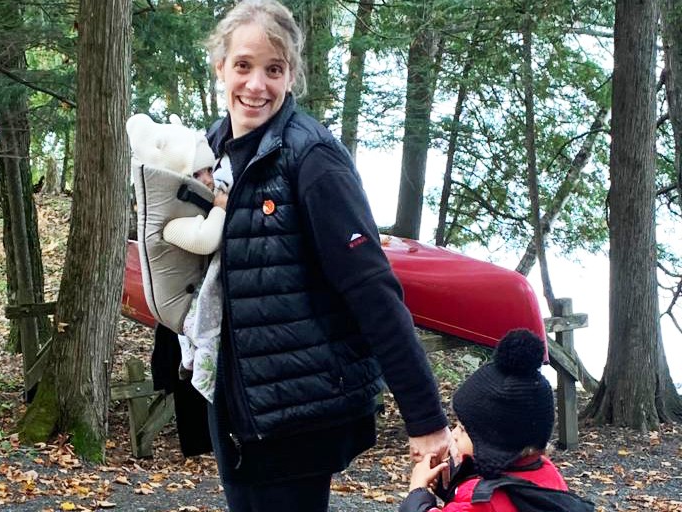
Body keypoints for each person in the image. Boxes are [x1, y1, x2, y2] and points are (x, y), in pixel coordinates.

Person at [195, 0, 451, 510]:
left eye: (274, 69)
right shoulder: (211, 151)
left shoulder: (311, 158)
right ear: (220, 67)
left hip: (298, 410)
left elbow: (371, 288)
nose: (256, 85)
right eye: (243, 66)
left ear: (292, 76)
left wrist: (425, 419)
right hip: (237, 403)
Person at [399, 330, 591, 512]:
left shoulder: (486, 502)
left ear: (494, 441)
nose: (454, 434)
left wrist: (417, 493)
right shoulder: (545, 471)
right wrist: (445, 484)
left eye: (463, 429)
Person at [126, 113, 229, 402]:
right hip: (182, 310)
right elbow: (206, 240)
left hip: (188, 301)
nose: (208, 180)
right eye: (197, 175)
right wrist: (221, 208)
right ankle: (204, 379)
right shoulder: (168, 225)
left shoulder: (190, 212)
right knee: (210, 334)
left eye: (209, 170)